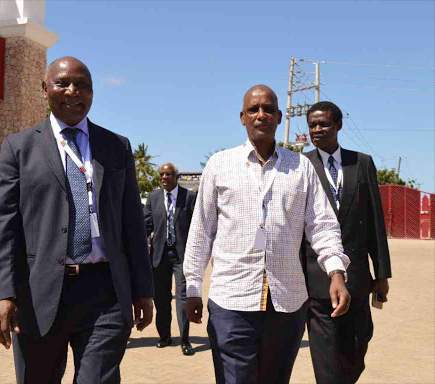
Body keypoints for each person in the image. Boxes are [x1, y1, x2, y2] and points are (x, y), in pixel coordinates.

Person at [0, 56, 154, 384]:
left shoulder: (116, 147)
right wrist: (1, 295)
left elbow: (132, 222)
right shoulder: (19, 148)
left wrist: (143, 289)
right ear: (44, 89)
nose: (73, 91)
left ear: (92, 92)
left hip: (105, 291)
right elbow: (2, 225)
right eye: (63, 83)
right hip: (40, 295)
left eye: (83, 85)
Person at [184, 85, 351, 384]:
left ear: (279, 116)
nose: (261, 115)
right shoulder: (220, 165)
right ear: (242, 117)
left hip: (286, 302)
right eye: (253, 109)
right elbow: (201, 232)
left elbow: (322, 225)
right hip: (231, 301)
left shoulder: (301, 167)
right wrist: (193, 287)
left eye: (268, 109)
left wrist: (336, 272)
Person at [303, 101, 392, 384]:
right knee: (326, 353)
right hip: (316, 279)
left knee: (357, 345)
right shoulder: (302, 165)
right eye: (312, 125)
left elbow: (375, 219)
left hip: (357, 278)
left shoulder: (362, 162)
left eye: (324, 124)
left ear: (338, 125)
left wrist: (381, 273)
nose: (317, 129)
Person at [144, 163, 197, 356]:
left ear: (176, 176)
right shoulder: (153, 197)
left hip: (181, 257)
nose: (164, 178)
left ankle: (185, 340)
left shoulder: (189, 197)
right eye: (161, 175)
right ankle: (164, 336)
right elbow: (146, 226)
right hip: (159, 257)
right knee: (162, 299)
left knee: (183, 298)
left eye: (168, 174)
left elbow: (195, 227)